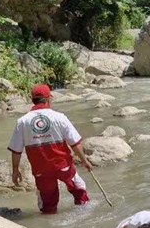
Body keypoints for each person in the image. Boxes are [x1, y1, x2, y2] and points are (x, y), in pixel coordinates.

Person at [7, 84, 93, 214]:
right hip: (63, 166)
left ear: (32, 99)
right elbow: (74, 143)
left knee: (47, 204)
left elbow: (16, 150)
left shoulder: (22, 122)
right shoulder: (59, 117)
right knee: (79, 189)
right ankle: (84, 215)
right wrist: (84, 160)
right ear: (48, 99)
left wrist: (15, 170)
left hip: (41, 170)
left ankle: (49, 225)